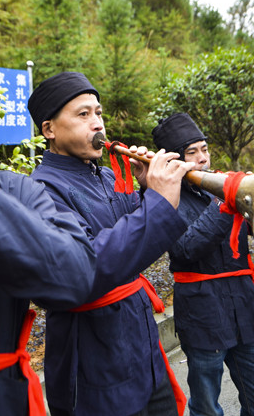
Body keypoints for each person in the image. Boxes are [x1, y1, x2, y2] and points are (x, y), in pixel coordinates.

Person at [28, 72, 194, 416]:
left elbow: (130, 235)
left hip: (144, 347)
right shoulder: (39, 190)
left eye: (99, 113)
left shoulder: (105, 175)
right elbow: (88, 263)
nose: (97, 124)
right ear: (49, 130)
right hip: (92, 358)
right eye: (83, 114)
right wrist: (159, 202)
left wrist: (148, 189)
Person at [151, 113, 254, 416]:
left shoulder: (221, 183)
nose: (202, 159)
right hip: (202, 313)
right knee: (206, 404)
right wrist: (227, 203)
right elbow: (185, 248)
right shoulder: (164, 196)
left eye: (204, 149)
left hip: (248, 308)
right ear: (174, 160)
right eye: (192, 152)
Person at [0, 170, 96, 416]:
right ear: (49, 130)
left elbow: (75, 273)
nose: (98, 127)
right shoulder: (47, 182)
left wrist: (152, 192)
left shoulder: (17, 186)